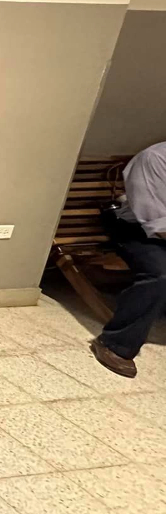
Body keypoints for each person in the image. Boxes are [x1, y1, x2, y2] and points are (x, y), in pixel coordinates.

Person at [90, 139, 166, 379]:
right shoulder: (154, 159)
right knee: (161, 275)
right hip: (138, 229)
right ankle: (116, 344)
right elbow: (157, 223)